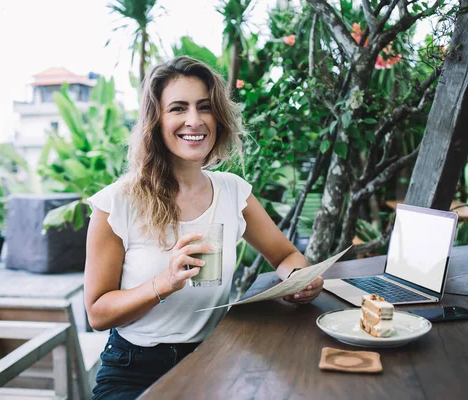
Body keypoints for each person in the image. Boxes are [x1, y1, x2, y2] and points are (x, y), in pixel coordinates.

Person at [85, 56, 324, 400]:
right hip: (135, 369)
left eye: (205, 107)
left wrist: (299, 280)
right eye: (178, 108)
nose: (194, 121)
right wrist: (165, 283)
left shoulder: (232, 191)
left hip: (215, 360)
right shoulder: (117, 203)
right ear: (156, 120)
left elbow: (285, 255)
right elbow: (97, 312)